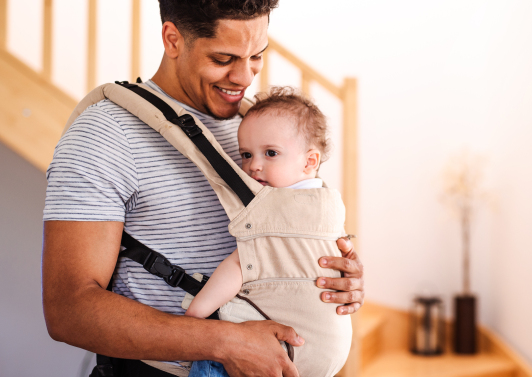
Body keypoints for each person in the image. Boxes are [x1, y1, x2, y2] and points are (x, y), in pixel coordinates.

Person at [41, 1, 364, 377]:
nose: (244, 77)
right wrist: (225, 342)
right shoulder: (105, 135)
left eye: (256, 56)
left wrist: (332, 279)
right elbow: (68, 310)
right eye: (224, 58)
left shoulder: (256, 125)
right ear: (173, 39)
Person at [186, 87, 342, 377]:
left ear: (310, 161)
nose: (253, 166)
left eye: (271, 153)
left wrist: (197, 314)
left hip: (282, 350)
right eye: (246, 154)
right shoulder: (327, 202)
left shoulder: (276, 206)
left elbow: (240, 263)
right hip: (323, 349)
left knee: (208, 360)